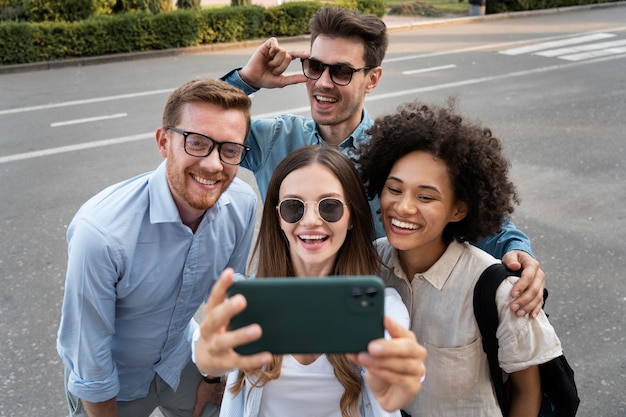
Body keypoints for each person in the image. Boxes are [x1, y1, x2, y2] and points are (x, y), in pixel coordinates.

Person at [220, 6, 545, 318]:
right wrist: (246, 80)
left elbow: (479, 216)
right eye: (315, 67)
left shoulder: (395, 156)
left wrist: (520, 253)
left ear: (372, 79)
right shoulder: (275, 138)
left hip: (368, 319)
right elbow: (195, 127)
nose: (322, 83)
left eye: (342, 71)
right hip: (288, 313)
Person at [56, 78, 258, 417]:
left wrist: (212, 376)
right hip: (114, 383)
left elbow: (223, 305)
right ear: (164, 142)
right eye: (196, 142)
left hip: (180, 360)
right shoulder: (101, 233)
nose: (213, 164)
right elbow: (91, 363)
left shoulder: (242, 205)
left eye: (230, 149)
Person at [358, 100, 563, 416]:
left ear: (459, 209)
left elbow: (527, 392)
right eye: (394, 189)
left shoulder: (499, 291)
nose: (403, 207)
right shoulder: (368, 264)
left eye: (426, 196)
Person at [192, 146, 427, 417]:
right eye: (294, 207)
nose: (311, 221)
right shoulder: (246, 300)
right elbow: (206, 350)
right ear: (278, 217)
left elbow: (392, 367)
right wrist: (208, 359)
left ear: (351, 217)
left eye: (330, 207)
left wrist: (394, 381)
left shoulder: (382, 307)